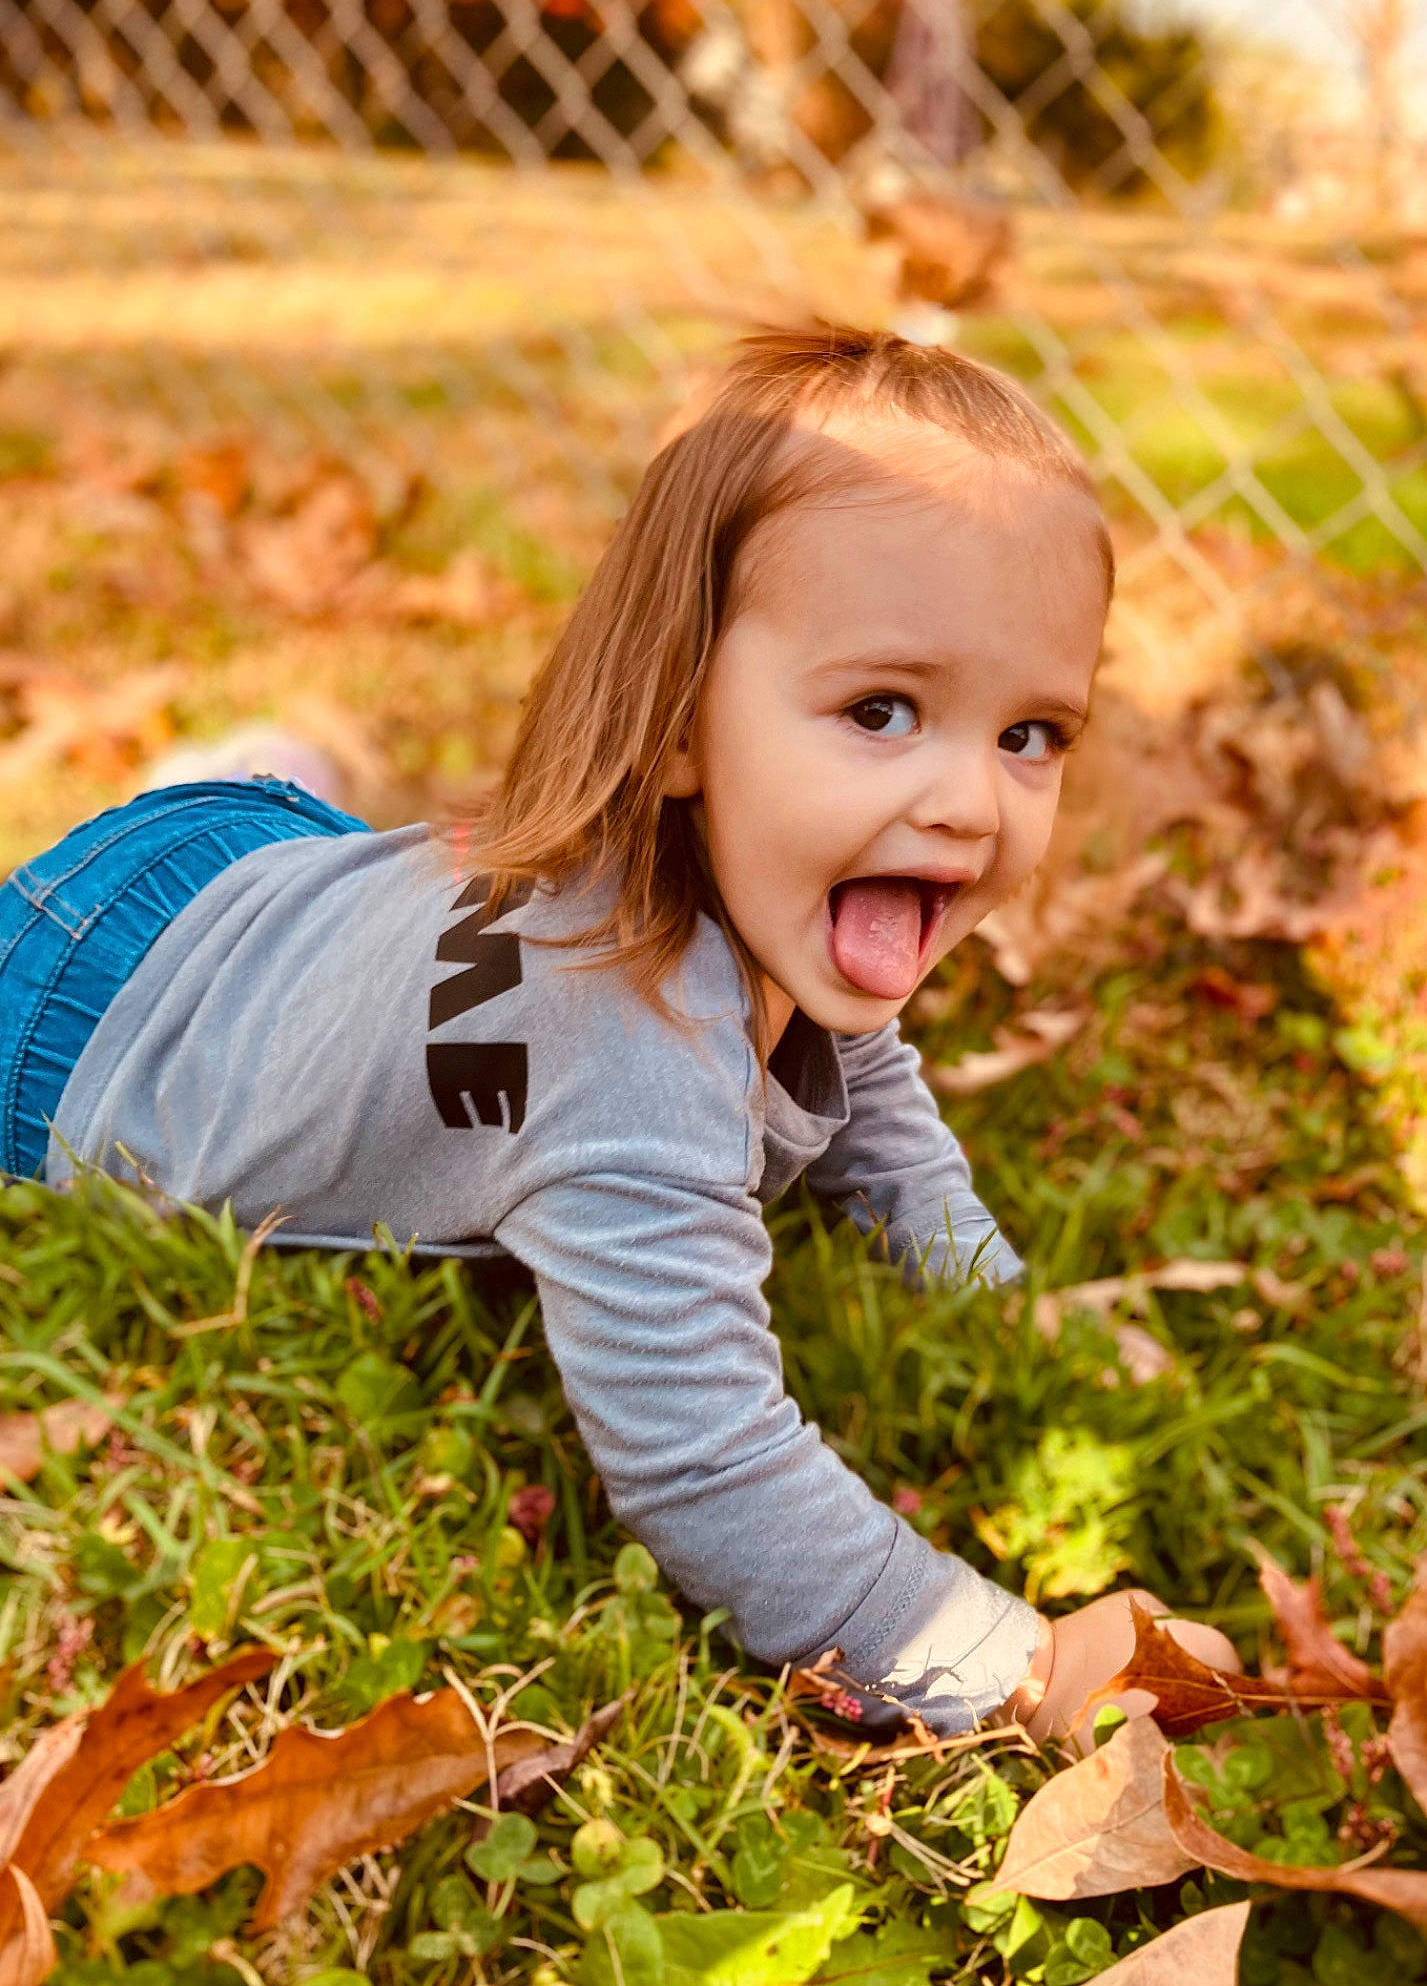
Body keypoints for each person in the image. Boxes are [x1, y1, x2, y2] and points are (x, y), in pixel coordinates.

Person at [0, 326, 1236, 1741]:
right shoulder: (628, 1059)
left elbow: (871, 1080)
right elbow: (703, 1463)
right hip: (73, 1008)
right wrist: (1019, 1667)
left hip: (268, 870)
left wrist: (981, 1295)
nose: (972, 800)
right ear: (676, 728)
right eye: (883, 711)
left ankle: (253, 764)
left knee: (299, 837)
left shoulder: (778, 894)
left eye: (1031, 735)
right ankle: (232, 767)